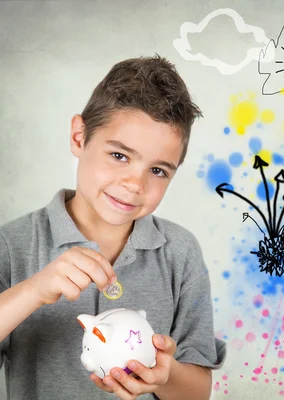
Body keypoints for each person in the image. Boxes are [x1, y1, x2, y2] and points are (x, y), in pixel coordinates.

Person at [0, 54, 226, 399]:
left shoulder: (180, 253)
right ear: (79, 136)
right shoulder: (12, 245)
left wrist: (164, 375)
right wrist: (32, 292)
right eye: (119, 155)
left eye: (158, 170)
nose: (135, 183)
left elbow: (197, 393)